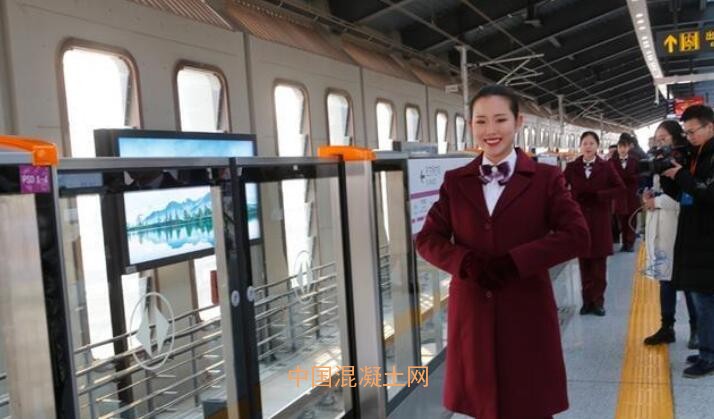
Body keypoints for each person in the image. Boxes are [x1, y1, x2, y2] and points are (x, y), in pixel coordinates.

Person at [415, 85, 589, 419]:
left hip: (526, 307)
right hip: (473, 309)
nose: (490, 130)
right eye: (481, 121)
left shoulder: (545, 178)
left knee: (530, 401)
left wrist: (515, 262)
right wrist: (465, 262)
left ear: (518, 121)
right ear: (470, 125)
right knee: (482, 404)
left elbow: (577, 235)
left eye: (500, 120)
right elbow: (427, 239)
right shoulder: (456, 181)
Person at [660, 104, 714, 378]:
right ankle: (707, 348)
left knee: (706, 300)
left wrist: (681, 175)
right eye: (686, 133)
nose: (689, 137)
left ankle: (709, 356)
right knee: (702, 296)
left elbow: (708, 194)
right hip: (695, 234)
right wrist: (668, 177)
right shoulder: (696, 154)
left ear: (710, 127)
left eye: (693, 132)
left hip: (708, 238)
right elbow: (686, 194)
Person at [642, 120, 698, 349]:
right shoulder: (659, 160)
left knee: (687, 280)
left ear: (676, 138)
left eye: (664, 138)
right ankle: (667, 327)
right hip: (660, 224)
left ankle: (697, 329)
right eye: (657, 139)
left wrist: (657, 201)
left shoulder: (685, 162)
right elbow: (658, 187)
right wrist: (648, 195)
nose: (660, 142)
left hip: (679, 224)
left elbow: (684, 197)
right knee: (665, 277)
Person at [564, 131, 625, 316]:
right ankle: (586, 301)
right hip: (580, 221)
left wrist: (599, 196)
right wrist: (571, 199)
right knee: (584, 264)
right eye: (585, 143)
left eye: (591, 143)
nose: (588, 146)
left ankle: (598, 302)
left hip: (600, 221)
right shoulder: (571, 167)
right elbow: (559, 188)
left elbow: (620, 188)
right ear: (580, 146)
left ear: (597, 146)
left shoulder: (606, 167)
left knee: (599, 265)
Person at [611, 136, 640, 252]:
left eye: (625, 147)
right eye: (620, 147)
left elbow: (640, 175)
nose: (622, 149)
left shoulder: (635, 161)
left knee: (632, 218)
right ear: (617, 148)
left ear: (628, 148)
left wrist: (632, 178)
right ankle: (624, 243)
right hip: (619, 195)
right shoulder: (611, 162)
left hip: (631, 193)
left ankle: (630, 242)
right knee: (621, 219)